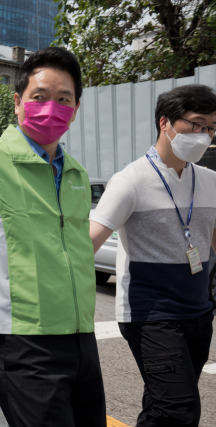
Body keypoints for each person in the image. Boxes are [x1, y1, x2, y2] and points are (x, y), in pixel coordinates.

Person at [0, 47, 106, 427]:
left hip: (81, 338)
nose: (51, 107)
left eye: (64, 100)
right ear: (17, 102)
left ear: (75, 110)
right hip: (24, 344)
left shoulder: (75, 173)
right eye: (39, 97)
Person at [90, 85, 216, 427]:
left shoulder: (210, 181)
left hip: (199, 313)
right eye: (197, 124)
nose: (204, 135)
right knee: (180, 408)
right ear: (166, 123)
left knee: (163, 405)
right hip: (150, 315)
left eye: (211, 127)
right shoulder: (129, 181)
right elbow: (88, 242)